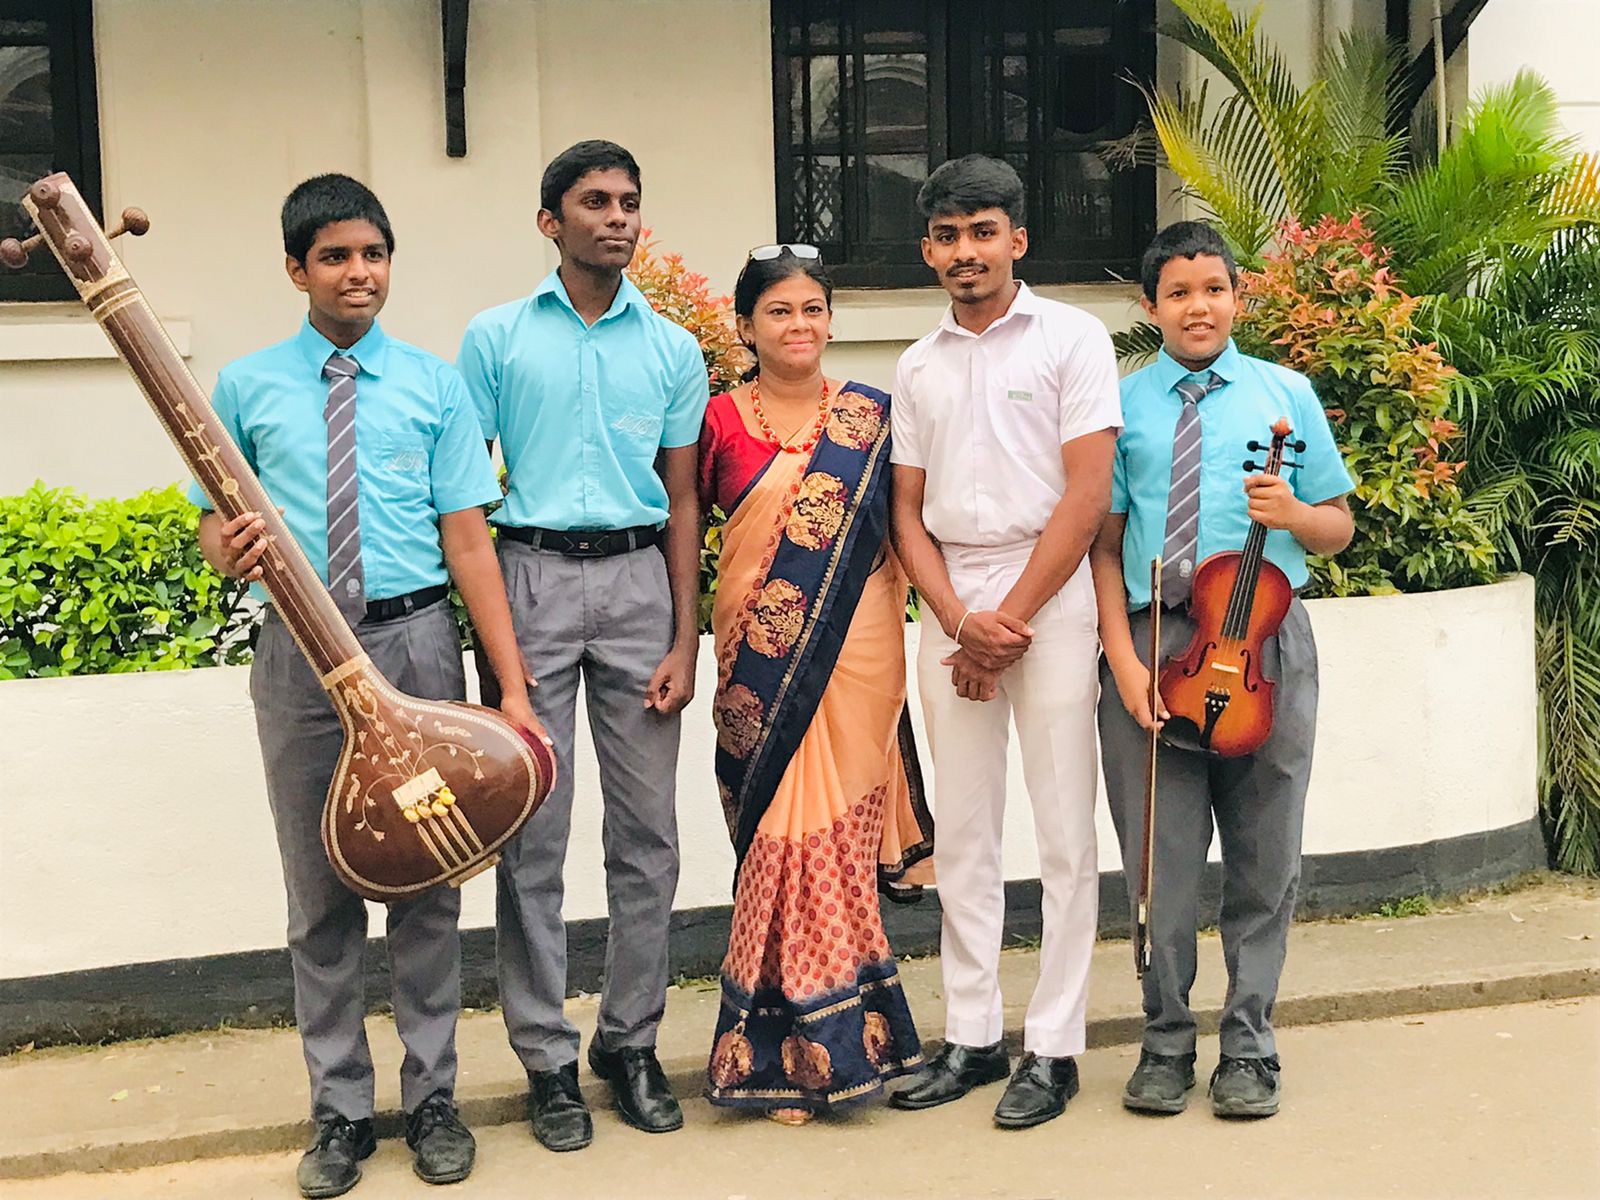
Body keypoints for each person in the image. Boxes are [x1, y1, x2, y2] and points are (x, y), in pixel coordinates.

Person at [195, 173, 540, 1198]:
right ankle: (340, 1111)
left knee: (429, 885)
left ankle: (433, 1098)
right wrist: (230, 549)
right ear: (297, 268)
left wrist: (509, 692)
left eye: (374, 254)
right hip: (301, 659)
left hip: (416, 649)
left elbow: (469, 541)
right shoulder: (247, 389)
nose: (359, 274)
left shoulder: (435, 387)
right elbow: (216, 528)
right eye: (337, 256)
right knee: (321, 895)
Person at [455, 140, 707, 1152]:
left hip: (641, 586)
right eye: (594, 201)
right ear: (550, 222)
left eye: (629, 202)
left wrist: (688, 635)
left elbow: (686, 497)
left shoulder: (673, 349)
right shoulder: (496, 339)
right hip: (532, 580)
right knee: (534, 836)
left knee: (647, 839)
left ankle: (630, 1042)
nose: (616, 216)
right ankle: (547, 1060)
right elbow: (464, 498)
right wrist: (498, 652)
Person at [1089, 220, 1355, 1119]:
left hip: (1265, 644)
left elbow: (1338, 524)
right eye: (1178, 292)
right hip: (1156, 642)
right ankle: (1164, 1040)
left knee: (1263, 854)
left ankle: (1249, 1044)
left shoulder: (1287, 394)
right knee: (1158, 866)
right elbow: (1106, 539)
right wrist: (1120, 657)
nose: (1198, 307)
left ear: (1239, 297)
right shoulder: (1122, 405)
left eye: (1214, 289)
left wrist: (1293, 511)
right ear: (1151, 305)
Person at [886, 155, 1121, 1129]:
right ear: (927, 250)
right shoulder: (917, 364)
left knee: (1065, 833)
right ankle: (973, 1036)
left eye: (982, 232)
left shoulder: (1072, 338)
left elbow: (1086, 493)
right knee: (966, 834)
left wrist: (1007, 623)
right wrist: (956, 621)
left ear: (1016, 240)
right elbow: (904, 512)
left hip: (1049, 593)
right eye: (946, 235)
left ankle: (1054, 1046)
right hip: (953, 598)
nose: (964, 252)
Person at [698, 245, 932, 1125]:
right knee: (776, 838)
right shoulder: (718, 419)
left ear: (831, 319)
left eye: (813, 310)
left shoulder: (870, 417)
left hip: (860, 643)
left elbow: (906, 530)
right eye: (780, 312)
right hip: (754, 653)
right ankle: (780, 1049)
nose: (799, 327)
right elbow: (689, 526)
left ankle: (839, 1046)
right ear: (747, 327)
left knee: (831, 837)